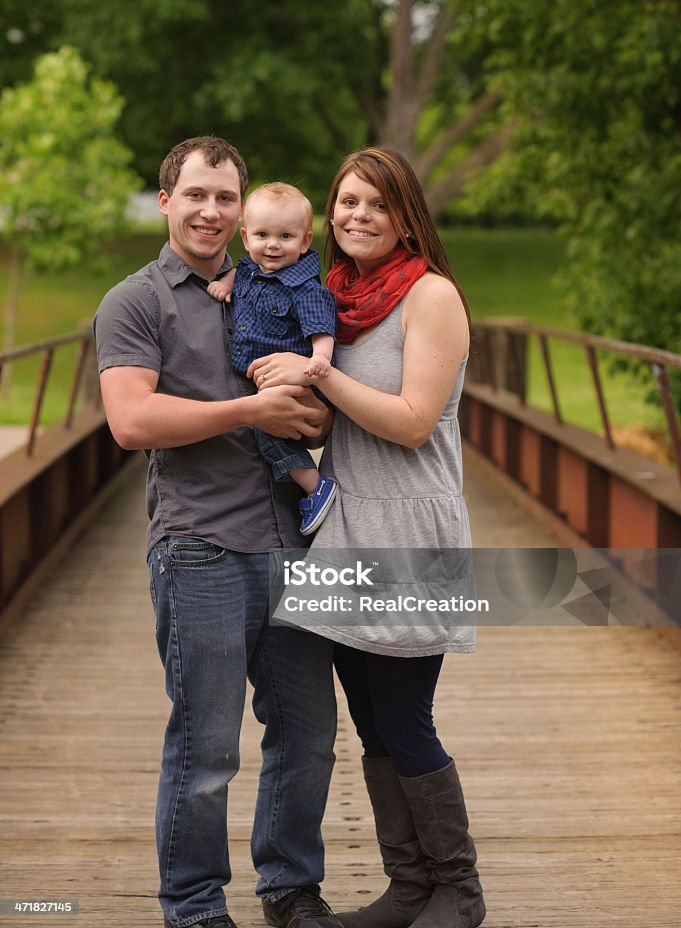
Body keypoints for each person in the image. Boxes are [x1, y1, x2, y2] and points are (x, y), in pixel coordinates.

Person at [93, 136, 343, 928]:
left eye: (225, 198)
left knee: (307, 737)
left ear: (241, 215)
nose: (210, 210)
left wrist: (311, 396)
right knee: (206, 750)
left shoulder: (278, 285)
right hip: (200, 544)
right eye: (195, 194)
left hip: (295, 543)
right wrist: (251, 410)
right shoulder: (136, 301)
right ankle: (196, 907)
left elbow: (326, 399)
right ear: (166, 200)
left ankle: (289, 888)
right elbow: (131, 421)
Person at [248, 147, 486, 928]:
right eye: (346, 201)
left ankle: (457, 889)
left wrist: (316, 378)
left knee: (406, 715)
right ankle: (409, 887)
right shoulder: (335, 296)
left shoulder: (432, 296)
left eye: (376, 205)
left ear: (405, 213)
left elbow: (413, 424)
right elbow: (332, 418)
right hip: (343, 526)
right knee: (369, 717)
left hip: (410, 528)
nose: (357, 216)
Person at [206, 182, 338, 535]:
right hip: (263, 377)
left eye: (285, 236)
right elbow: (244, 272)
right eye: (262, 235)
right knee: (264, 428)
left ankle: (315, 486)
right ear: (246, 239)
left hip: (292, 376)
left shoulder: (305, 288)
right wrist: (228, 282)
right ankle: (308, 485)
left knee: (268, 434)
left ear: (305, 241)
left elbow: (321, 330)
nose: (273, 245)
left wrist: (320, 360)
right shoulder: (250, 269)